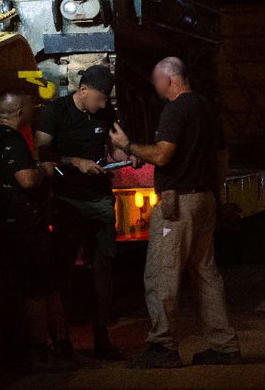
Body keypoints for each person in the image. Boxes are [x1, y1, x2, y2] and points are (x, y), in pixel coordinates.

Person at [109, 56, 242, 369]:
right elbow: (222, 155)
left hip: (177, 204)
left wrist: (129, 147)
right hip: (204, 201)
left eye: (156, 80)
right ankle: (225, 347)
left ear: (169, 79)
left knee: (161, 276)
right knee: (206, 275)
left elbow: (164, 155)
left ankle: (163, 347)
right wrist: (213, 192)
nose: (155, 87)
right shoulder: (205, 107)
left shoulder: (175, 109)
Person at [34, 64, 125, 361]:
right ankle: (63, 342)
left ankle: (102, 338)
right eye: (99, 98)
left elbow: (115, 148)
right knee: (64, 272)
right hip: (68, 201)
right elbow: (43, 153)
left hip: (99, 200)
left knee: (102, 269)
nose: (102, 104)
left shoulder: (106, 113)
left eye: (106, 100)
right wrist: (76, 161)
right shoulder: (55, 111)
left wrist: (128, 153)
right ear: (83, 90)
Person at [0, 91, 75, 372]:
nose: (35, 112)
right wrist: (44, 170)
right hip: (26, 225)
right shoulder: (14, 141)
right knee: (40, 288)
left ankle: (52, 347)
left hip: (4, 222)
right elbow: (26, 180)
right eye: (32, 108)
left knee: (35, 286)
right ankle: (48, 350)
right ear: (20, 111)